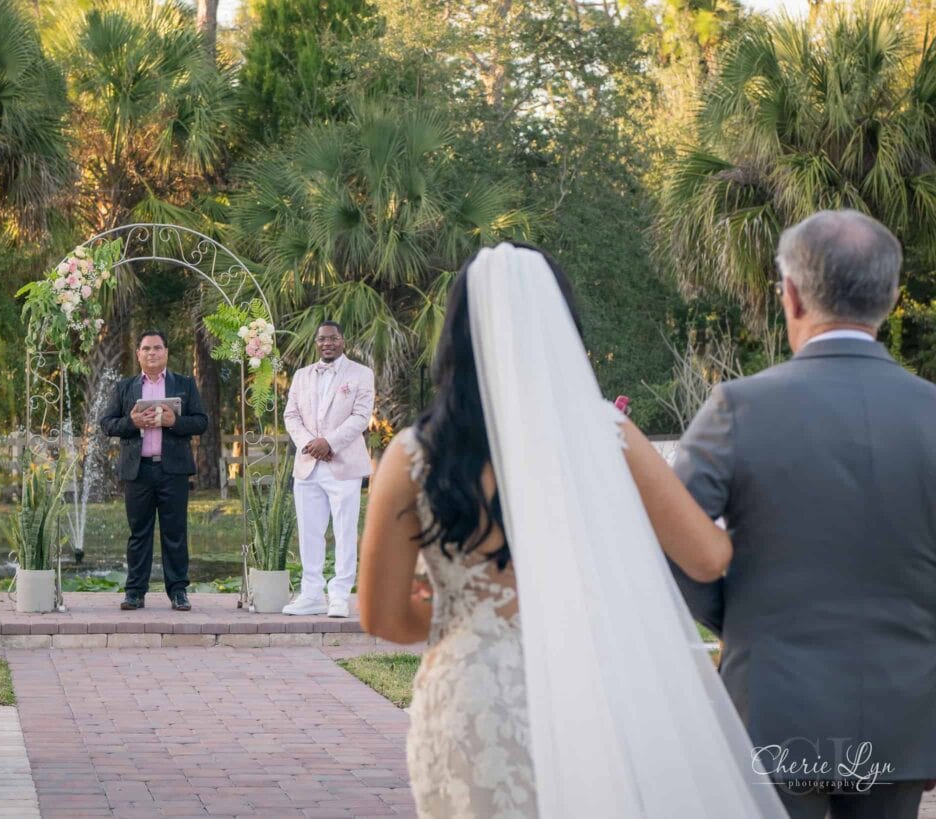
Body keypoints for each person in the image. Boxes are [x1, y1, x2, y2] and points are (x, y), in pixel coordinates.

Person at [358, 243, 787, 818]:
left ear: (454, 336)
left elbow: (382, 618)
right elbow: (708, 558)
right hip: (595, 690)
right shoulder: (606, 433)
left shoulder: (413, 454)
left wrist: (448, 612)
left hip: (472, 696)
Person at [672, 210, 936, 819]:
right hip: (902, 714)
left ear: (789, 295)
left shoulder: (739, 407)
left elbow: (669, 538)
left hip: (772, 706)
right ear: (893, 296)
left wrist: (737, 618)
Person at [101, 331, 207, 612]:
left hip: (173, 471)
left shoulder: (184, 384)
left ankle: (178, 592)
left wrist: (175, 421)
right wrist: (132, 422)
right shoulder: (125, 388)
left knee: (175, 532)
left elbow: (201, 422)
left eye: (157, 348)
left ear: (166, 353)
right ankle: (135, 592)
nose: (152, 353)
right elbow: (107, 424)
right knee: (139, 533)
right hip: (138, 472)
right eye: (146, 348)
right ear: (138, 354)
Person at [282, 321, 374, 618]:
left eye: (333, 338)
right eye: (322, 339)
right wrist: (310, 443)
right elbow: (291, 415)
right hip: (308, 465)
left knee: (345, 532)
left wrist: (329, 443)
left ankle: (339, 596)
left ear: (342, 340)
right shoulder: (302, 375)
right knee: (309, 532)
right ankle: (311, 595)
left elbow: (361, 416)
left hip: (344, 465)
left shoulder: (361, 374)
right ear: (316, 342)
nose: (327, 343)